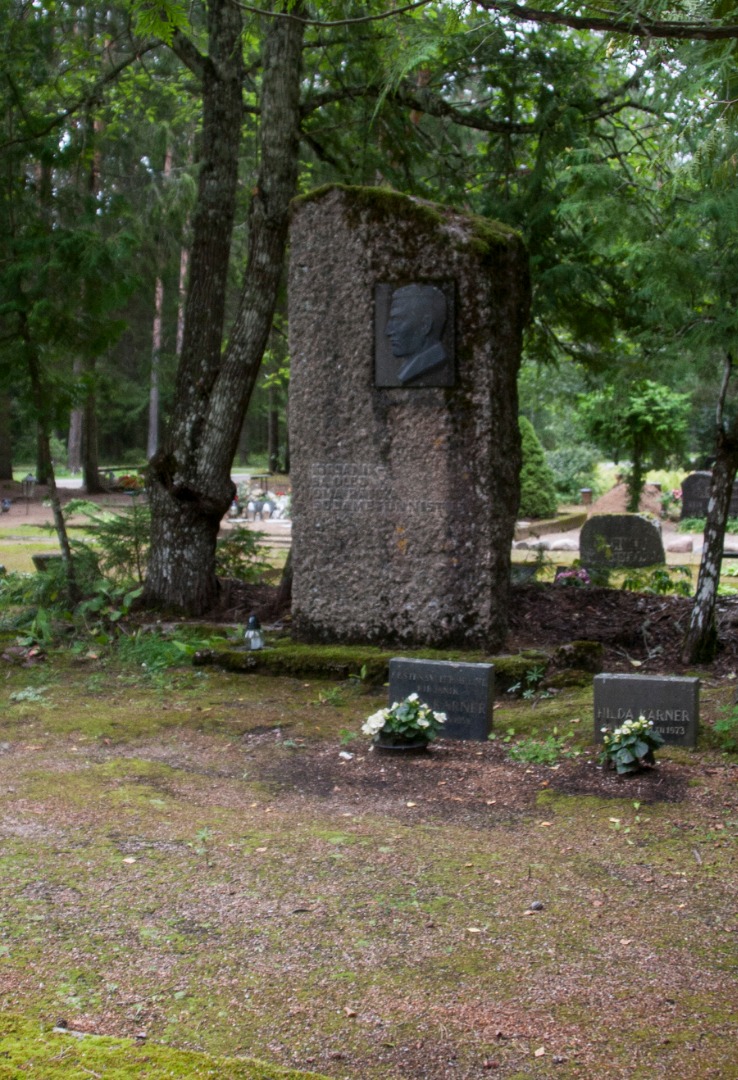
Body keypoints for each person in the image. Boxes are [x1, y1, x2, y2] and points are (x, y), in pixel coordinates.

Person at [385, 284, 448, 384]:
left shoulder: (423, 365)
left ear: (424, 325)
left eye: (397, 320)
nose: (388, 331)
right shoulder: (408, 366)